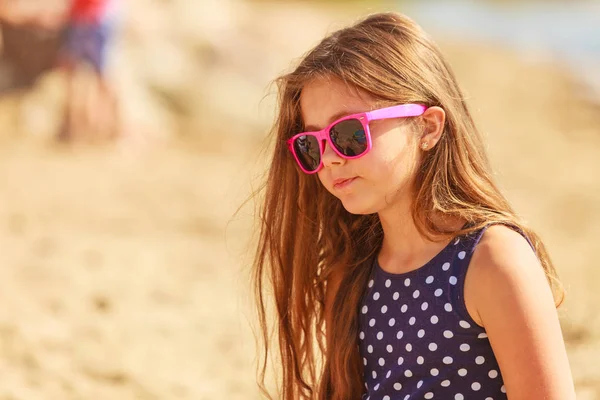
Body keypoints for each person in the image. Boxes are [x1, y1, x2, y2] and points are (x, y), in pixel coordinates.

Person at [251, 12, 575, 400]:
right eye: (312, 143)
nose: (331, 158)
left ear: (429, 127)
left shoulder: (492, 262)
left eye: (348, 133)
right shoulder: (351, 272)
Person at [55, 0, 121, 142]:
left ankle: (115, 130)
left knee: (103, 75)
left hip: (98, 18)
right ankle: (74, 130)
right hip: (79, 18)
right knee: (72, 74)